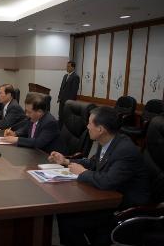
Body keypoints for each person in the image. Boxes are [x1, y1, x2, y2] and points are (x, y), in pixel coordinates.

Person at [48, 106, 150, 246]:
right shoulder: (107, 141)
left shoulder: (124, 150)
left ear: (101, 129)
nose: (87, 126)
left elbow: (107, 181)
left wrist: (82, 172)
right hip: (107, 197)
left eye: (90, 123)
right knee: (65, 212)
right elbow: (93, 163)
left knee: (68, 218)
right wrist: (66, 161)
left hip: (124, 206)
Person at [57, 61, 80, 127]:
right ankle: (59, 130)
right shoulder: (65, 76)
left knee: (66, 117)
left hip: (68, 102)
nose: (67, 68)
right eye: (67, 66)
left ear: (73, 67)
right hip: (62, 100)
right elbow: (62, 87)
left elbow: (74, 91)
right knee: (60, 115)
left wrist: (70, 102)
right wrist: (59, 97)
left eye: (68, 66)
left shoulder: (75, 77)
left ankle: (64, 131)